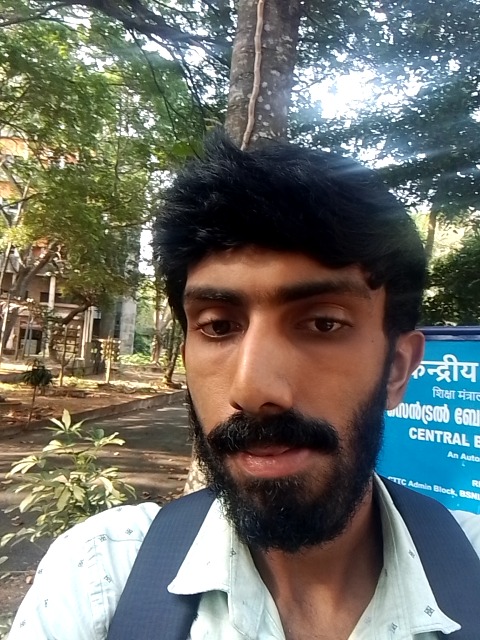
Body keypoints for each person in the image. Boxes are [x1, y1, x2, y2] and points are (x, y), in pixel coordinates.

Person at [8, 133, 480, 640]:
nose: (252, 389)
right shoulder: (100, 579)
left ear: (397, 369)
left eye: (323, 323)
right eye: (217, 325)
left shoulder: (469, 562)